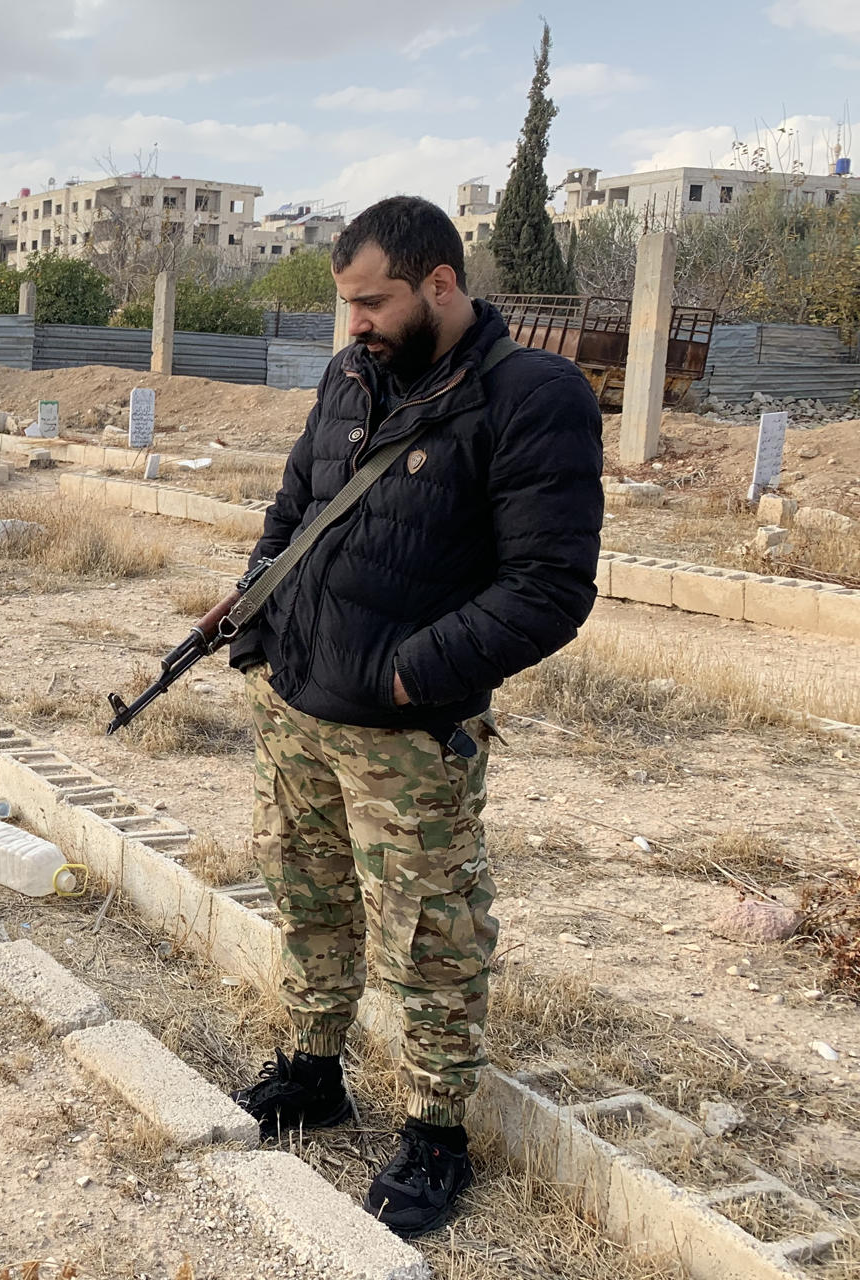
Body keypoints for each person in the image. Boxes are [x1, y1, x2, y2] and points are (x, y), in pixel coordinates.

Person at [194, 195, 603, 1237]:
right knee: (307, 898)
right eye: (346, 305)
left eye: (371, 302)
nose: (354, 323)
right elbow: (292, 513)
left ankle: (434, 1129)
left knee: (429, 935)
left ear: (440, 283)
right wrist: (257, 625)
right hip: (296, 704)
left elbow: (551, 587)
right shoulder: (348, 377)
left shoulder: (532, 396)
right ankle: (313, 1069)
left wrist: (411, 676)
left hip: (407, 735)